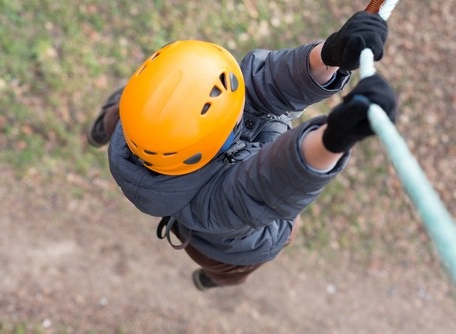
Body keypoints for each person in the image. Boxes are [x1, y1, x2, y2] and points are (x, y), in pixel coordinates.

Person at [87, 11, 396, 291]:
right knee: (275, 240)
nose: (243, 99)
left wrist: (329, 56)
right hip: (224, 251)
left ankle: (103, 126)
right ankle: (214, 278)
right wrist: (335, 137)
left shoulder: (148, 122)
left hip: (152, 140)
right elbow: (267, 183)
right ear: (216, 140)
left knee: (132, 112)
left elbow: (265, 84)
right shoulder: (217, 204)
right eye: (235, 111)